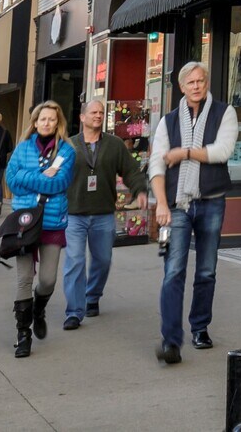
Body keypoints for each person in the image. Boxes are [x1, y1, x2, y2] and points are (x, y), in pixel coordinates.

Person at [149, 61, 238, 365]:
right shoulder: (168, 122)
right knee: (173, 269)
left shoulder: (224, 112)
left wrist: (185, 152)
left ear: (206, 83)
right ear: (182, 87)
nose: (197, 86)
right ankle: (171, 340)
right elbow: (157, 165)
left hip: (212, 200)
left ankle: (199, 327)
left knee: (206, 269)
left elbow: (222, 151)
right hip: (178, 205)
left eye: (201, 80)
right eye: (191, 82)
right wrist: (161, 203)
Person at [61, 95, 146, 329]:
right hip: (74, 214)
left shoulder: (114, 144)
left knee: (103, 260)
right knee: (75, 261)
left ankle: (92, 296)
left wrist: (140, 190)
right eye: (93, 112)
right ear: (82, 117)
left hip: (103, 214)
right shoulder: (68, 145)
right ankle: (74, 312)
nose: (98, 115)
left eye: (101, 112)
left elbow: (131, 171)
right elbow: (56, 175)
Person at [4, 101, 74, 359]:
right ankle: (23, 334)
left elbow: (60, 182)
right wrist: (44, 174)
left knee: (47, 280)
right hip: (24, 222)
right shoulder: (22, 149)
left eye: (52, 119)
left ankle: (39, 308)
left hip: (52, 222)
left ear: (58, 123)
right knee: (23, 278)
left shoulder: (67, 150)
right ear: (35, 122)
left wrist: (29, 176)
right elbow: (12, 181)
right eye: (42, 119)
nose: (47, 123)